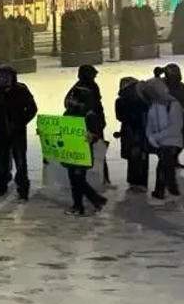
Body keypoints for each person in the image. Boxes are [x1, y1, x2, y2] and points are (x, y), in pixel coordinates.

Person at [0, 65, 38, 201]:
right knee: (2, 160)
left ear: (13, 77)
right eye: (2, 77)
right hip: (1, 133)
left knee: (20, 161)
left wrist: (22, 121)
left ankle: (23, 189)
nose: (5, 80)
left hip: (18, 133)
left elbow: (32, 108)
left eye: (8, 77)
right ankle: (2, 185)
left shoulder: (21, 90)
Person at [62, 65, 108, 216]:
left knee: (77, 178)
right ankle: (89, 202)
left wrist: (94, 135)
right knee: (75, 177)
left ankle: (84, 204)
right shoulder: (72, 112)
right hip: (74, 145)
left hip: (81, 145)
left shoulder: (87, 112)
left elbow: (96, 122)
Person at [145, 77, 183, 200]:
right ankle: (171, 189)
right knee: (166, 166)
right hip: (161, 142)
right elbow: (150, 123)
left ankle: (163, 191)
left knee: (163, 166)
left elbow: (175, 128)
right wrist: (150, 135)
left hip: (172, 141)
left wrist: (155, 136)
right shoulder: (154, 105)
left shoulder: (173, 105)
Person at [115, 77, 150, 191]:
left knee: (133, 158)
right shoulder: (142, 100)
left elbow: (120, 117)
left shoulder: (120, 100)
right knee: (140, 157)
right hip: (139, 132)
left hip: (129, 131)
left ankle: (134, 182)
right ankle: (140, 183)